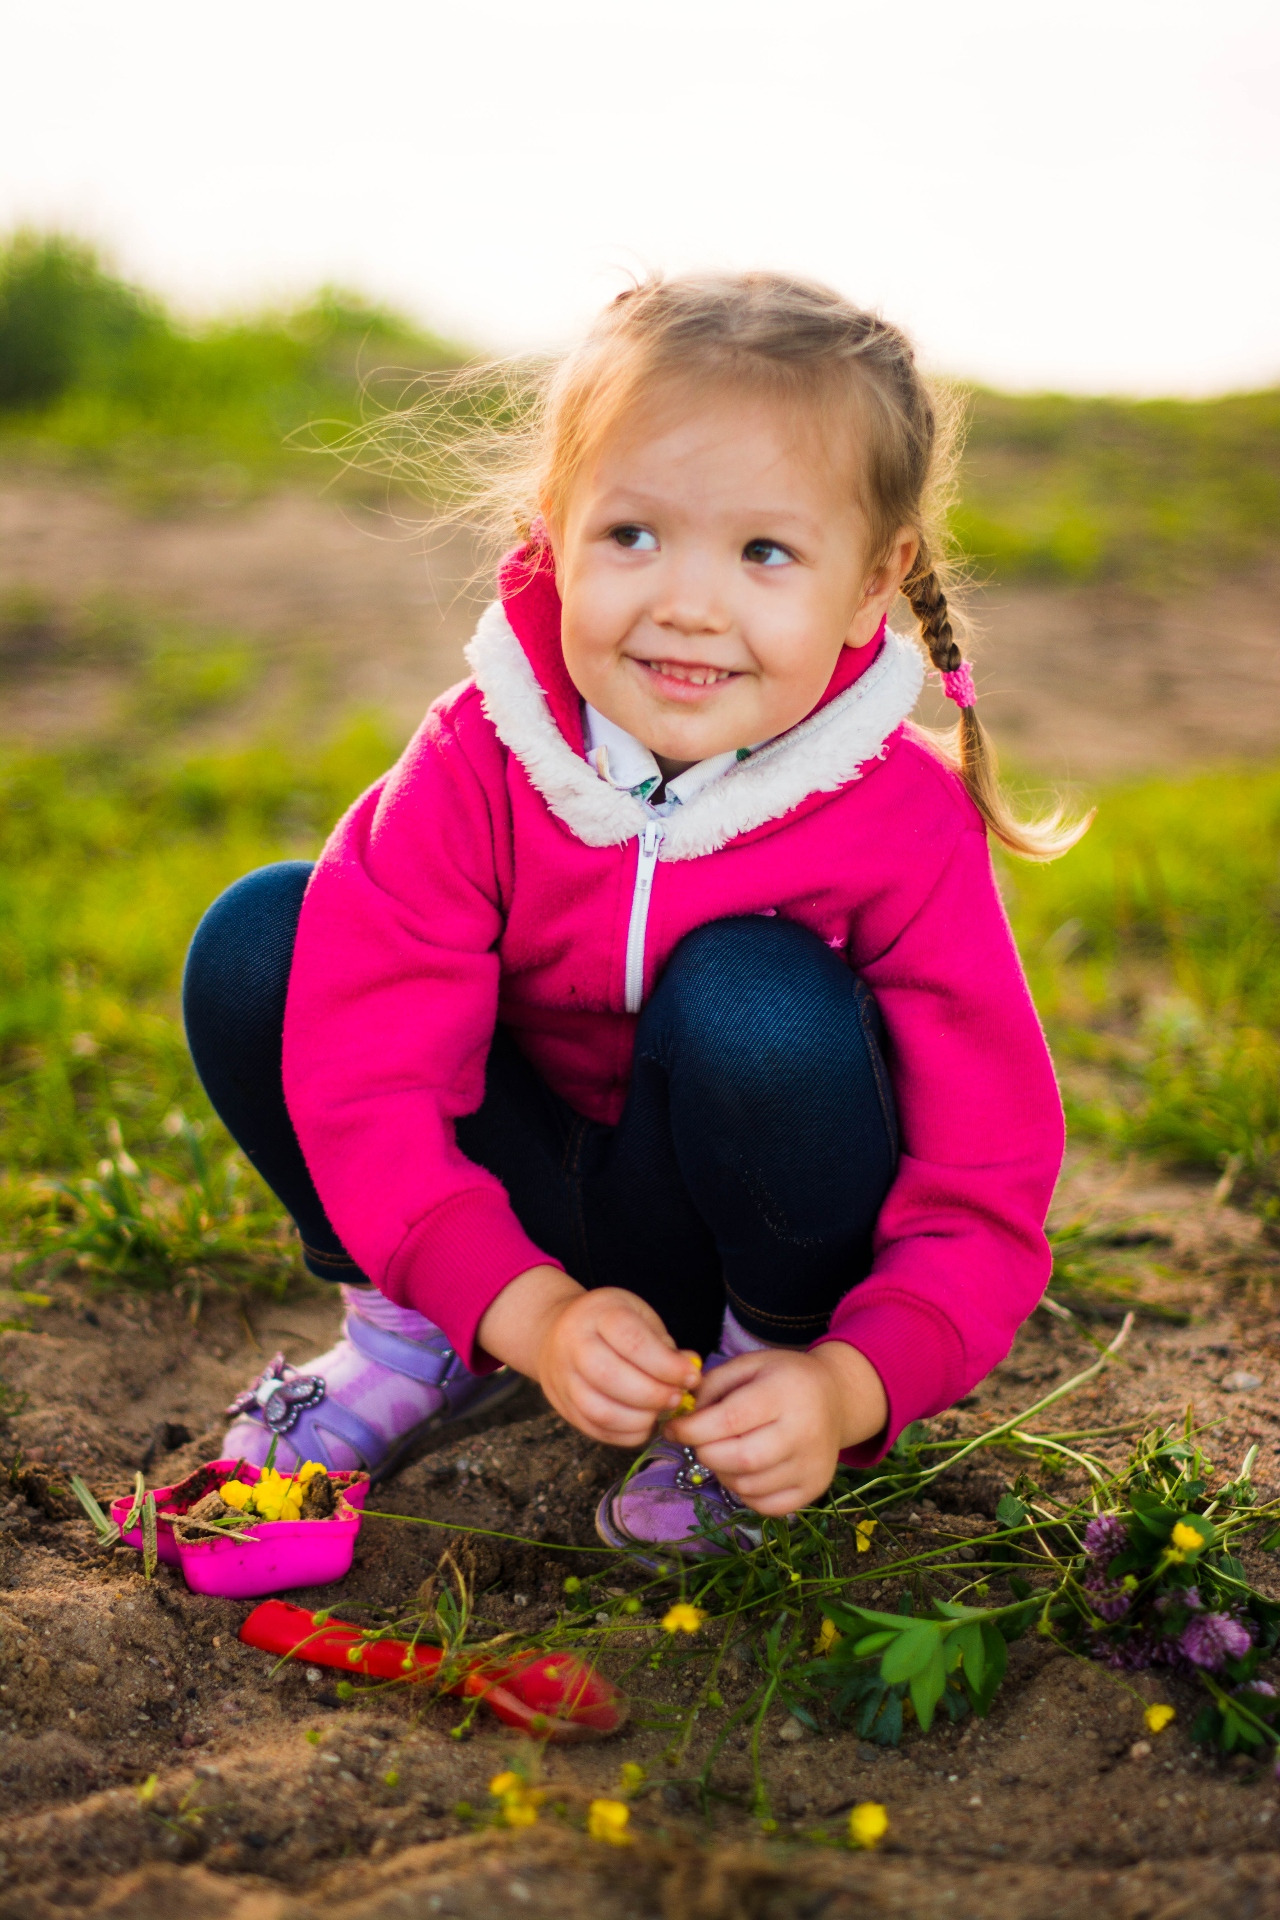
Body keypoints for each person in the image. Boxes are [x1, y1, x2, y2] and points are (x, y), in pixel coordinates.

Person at [184, 273, 1082, 1560]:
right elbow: (369, 1072)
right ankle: (415, 1338)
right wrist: (525, 1309)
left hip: (753, 1245)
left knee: (755, 996)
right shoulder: (482, 755)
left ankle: (745, 1406)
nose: (688, 606)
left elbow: (982, 1185)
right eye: (633, 536)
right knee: (269, 938)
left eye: (765, 552)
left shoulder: (898, 821)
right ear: (554, 526)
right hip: (517, 1210)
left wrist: (848, 1384)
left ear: (873, 577)